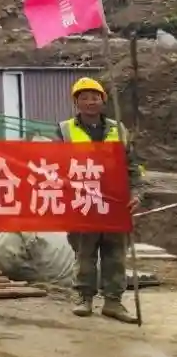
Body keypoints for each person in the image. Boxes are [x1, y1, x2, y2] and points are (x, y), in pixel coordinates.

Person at [57, 77, 142, 323]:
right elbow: (53, 163)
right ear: (76, 102)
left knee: (115, 255)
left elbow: (132, 166)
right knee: (84, 254)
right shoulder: (64, 130)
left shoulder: (119, 130)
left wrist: (136, 193)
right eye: (84, 98)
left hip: (115, 203)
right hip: (82, 203)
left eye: (95, 97)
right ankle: (84, 298)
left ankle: (113, 302)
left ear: (103, 100)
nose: (90, 102)